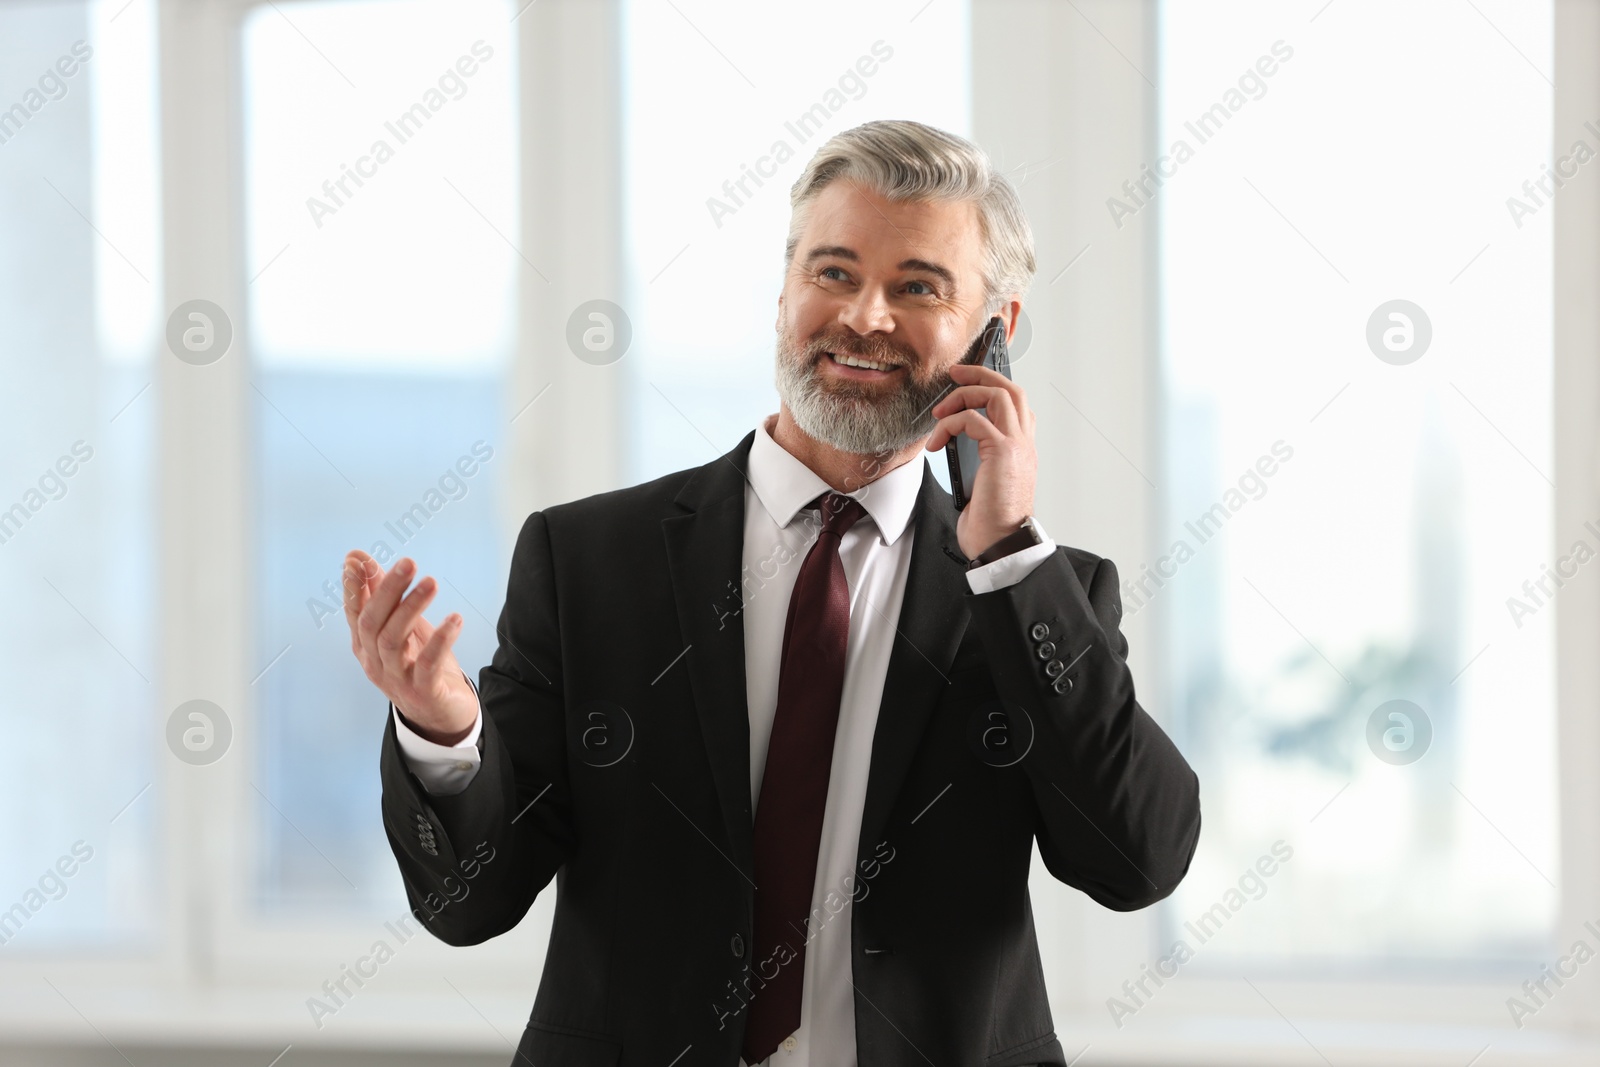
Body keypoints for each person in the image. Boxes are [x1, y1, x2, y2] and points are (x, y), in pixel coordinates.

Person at [343, 118, 1200, 1067]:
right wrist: (445, 735)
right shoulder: (590, 560)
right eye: (832, 272)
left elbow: (1136, 863)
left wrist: (1005, 554)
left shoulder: (1038, 593)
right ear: (785, 288)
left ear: (995, 331)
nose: (864, 315)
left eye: (917, 285)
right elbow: (472, 901)